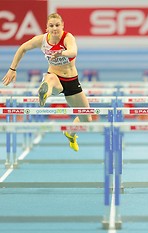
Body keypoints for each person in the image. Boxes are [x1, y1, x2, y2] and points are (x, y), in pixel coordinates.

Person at [2, 13, 92, 151]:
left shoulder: (68, 38)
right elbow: (22, 48)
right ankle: (45, 92)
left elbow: (73, 52)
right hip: (55, 76)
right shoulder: (41, 40)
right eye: (51, 26)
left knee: (87, 119)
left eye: (57, 25)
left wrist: (61, 53)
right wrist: (12, 69)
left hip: (72, 81)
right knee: (50, 80)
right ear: (47, 28)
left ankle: (70, 133)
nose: (54, 28)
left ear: (62, 26)